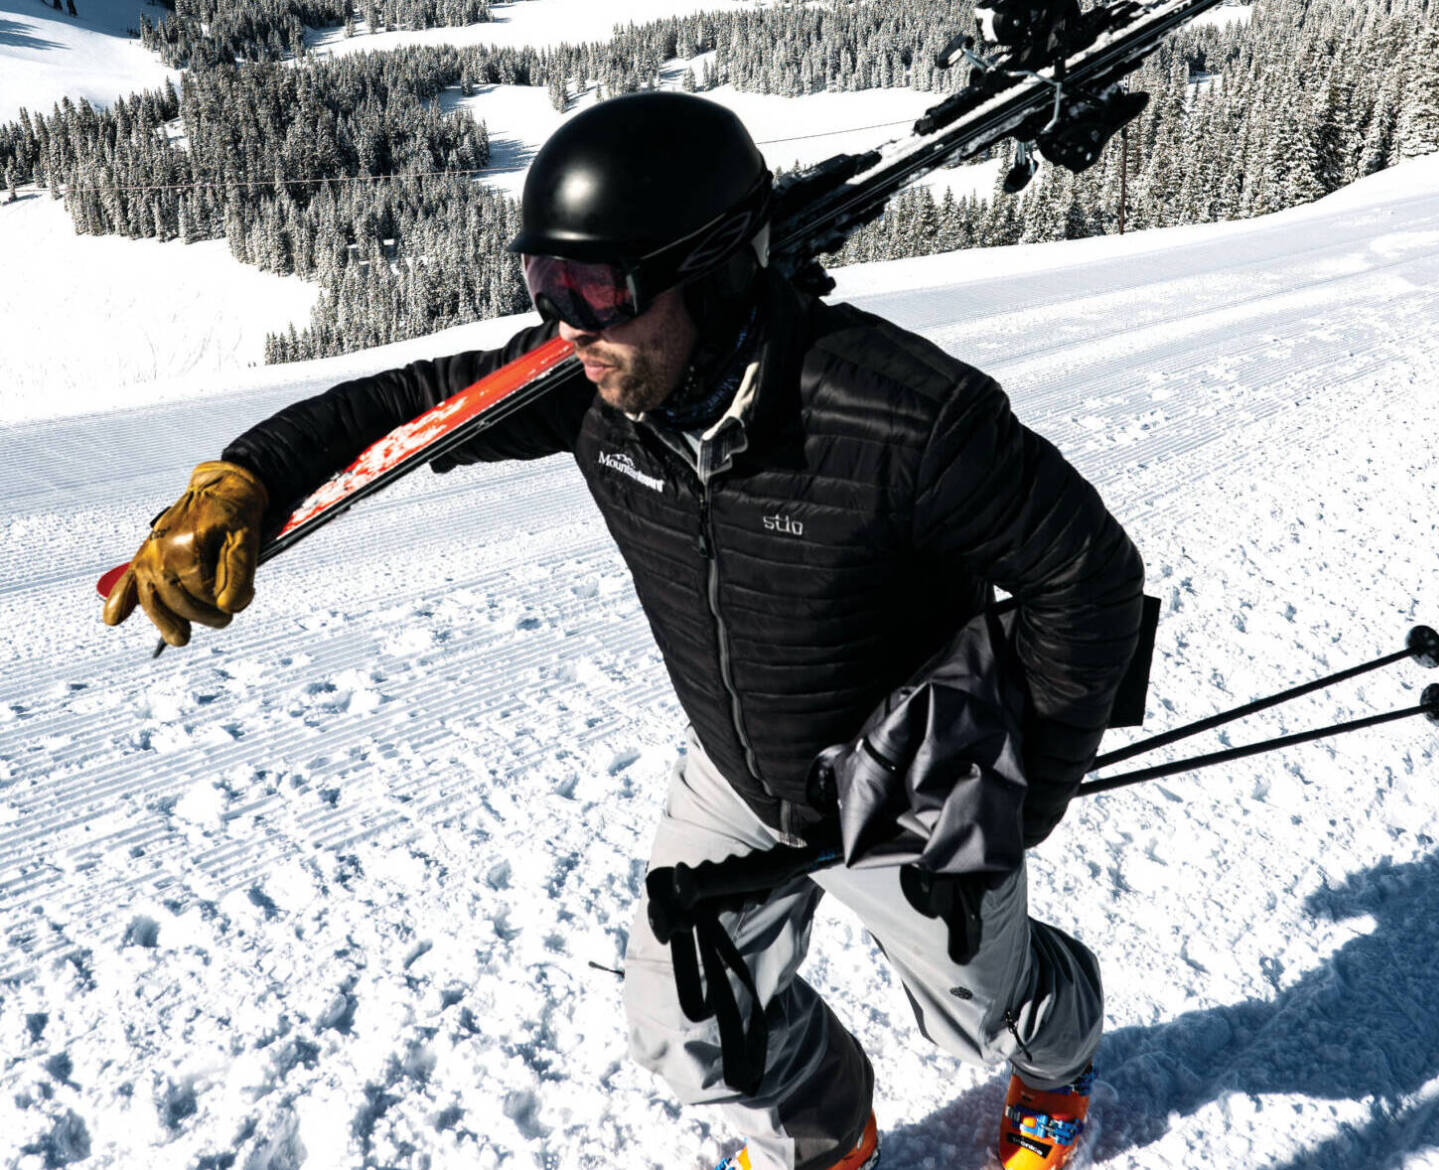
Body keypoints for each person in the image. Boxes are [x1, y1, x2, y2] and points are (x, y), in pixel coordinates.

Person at [103, 92, 1145, 1170]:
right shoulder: (594, 387)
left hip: (905, 785)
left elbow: (1089, 579)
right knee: (684, 1030)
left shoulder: (904, 417)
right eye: (543, 284)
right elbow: (413, 406)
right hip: (737, 772)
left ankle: (1055, 1069)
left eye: (593, 287)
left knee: (981, 1004)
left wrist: (1029, 790)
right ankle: (825, 1131)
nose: (565, 324)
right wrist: (247, 477)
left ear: (711, 271)